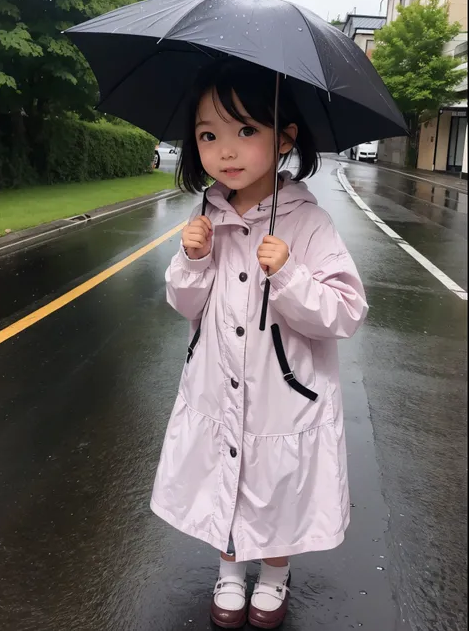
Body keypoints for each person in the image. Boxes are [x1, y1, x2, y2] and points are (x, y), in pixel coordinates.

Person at [150, 57, 368, 629]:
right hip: (217, 385)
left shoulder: (309, 223)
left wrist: (290, 275)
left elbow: (345, 312)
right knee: (225, 470)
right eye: (208, 134)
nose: (225, 150)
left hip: (283, 392)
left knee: (276, 482)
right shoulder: (208, 217)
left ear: (285, 139)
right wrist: (193, 259)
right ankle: (228, 569)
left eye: (246, 130)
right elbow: (184, 305)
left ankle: (273, 573)